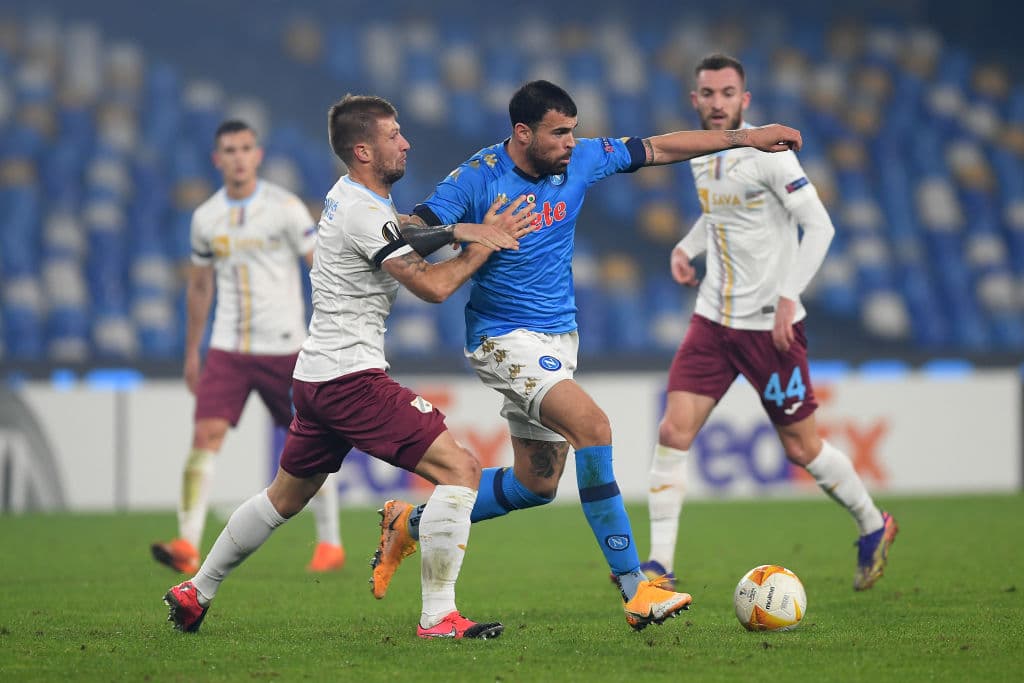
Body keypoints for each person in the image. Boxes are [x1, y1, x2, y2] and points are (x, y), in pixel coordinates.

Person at [368, 79, 803, 631]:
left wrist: (746, 137)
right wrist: (470, 230)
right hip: (502, 337)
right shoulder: (478, 177)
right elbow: (406, 231)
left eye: (574, 131)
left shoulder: (582, 161)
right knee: (594, 427)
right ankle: (635, 587)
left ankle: (408, 523)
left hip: (559, 338)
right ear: (522, 133)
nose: (573, 143)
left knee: (537, 484)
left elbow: (660, 148)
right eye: (560, 133)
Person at [162, 94, 537, 639]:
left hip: (317, 377)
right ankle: (438, 618)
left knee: (284, 497)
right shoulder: (363, 211)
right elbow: (432, 286)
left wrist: (462, 231)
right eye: (393, 135)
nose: (405, 142)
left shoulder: (352, 198)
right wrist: (482, 244)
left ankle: (196, 590)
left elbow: (404, 232)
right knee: (461, 470)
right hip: (350, 379)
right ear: (364, 149)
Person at [642, 54, 897, 591]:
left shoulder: (771, 156)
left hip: (769, 327)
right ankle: (659, 567)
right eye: (707, 94)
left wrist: (788, 298)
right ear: (695, 100)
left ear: (744, 99)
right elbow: (719, 216)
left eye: (727, 93)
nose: (717, 103)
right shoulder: (699, 154)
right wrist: (686, 248)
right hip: (712, 321)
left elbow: (820, 227)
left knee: (801, 449)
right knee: (672, 431)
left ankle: (874, 524)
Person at [151, 120, 345, 576]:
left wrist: (331, 328)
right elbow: (199, 288)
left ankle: (330, 544)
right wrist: (192, 351)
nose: (238, 157)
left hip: (286, 347)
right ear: (217, 160)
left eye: (245, 148)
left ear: (257, 155)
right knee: (205, 438)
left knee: (312, 442)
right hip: (228, 348)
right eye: (229, 150)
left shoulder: (284, 207)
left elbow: (318, 266)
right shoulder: (205, 218)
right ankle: (186, 543)